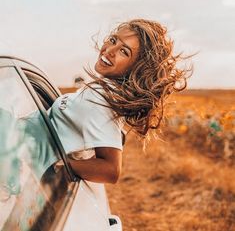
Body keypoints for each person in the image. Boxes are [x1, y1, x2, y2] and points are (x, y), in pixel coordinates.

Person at [48, 19, 191, 184]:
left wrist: (58, 167)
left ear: (135, 68)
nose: (110, 50)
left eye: (124, 51)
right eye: (113, 40)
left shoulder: (100, 98)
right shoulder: (103, 91)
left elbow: (111, 170)